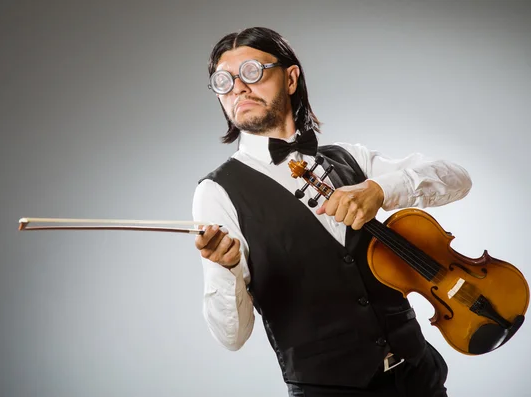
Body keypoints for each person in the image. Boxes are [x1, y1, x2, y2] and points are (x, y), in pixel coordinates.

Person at [192, 27, 472, 397]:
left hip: (418, 376)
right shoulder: (217, 191)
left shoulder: (349, 158)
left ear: (290, 78)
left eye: (251, 72)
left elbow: (457, 178)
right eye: (224, 81)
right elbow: (232, 338)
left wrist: (379, 190)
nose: (238, 88)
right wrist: (226, 272)